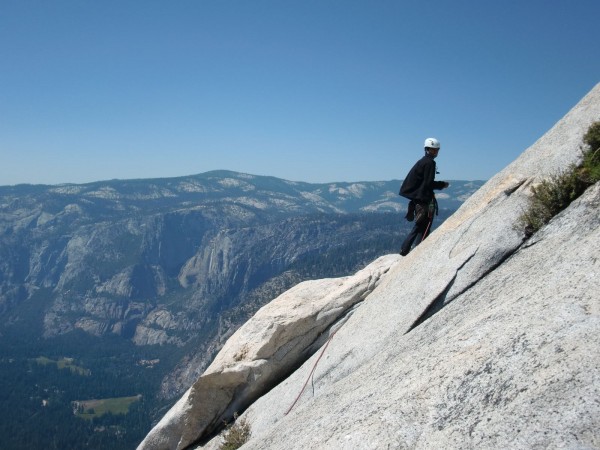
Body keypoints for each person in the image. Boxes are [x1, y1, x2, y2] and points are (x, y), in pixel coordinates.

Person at [398, 137, 449, 256]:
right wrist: (442, 184)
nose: (435, 152)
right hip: (423, 200)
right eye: (433, 150)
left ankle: (406, 250)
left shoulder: (423, 161)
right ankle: (414, 251)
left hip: (418, 199)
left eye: (436, 150)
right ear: (427, 150)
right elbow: (428, 183)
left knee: (419, 225)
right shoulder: (429, 163)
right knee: (423, 225)